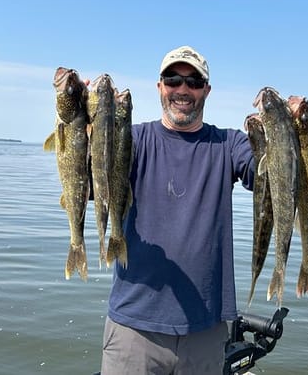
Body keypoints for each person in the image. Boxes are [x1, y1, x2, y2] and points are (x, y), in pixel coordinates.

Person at [100, 45, 255, 375]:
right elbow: (90, 182)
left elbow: (267, 177)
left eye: (194, 82)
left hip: (206, 329)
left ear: (206, 90)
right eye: (173, 80)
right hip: (134, 329)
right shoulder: (133, 139)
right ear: (159, 87)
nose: (182, 90)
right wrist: (87, 121)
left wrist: (295, 130)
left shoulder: (229, 144)